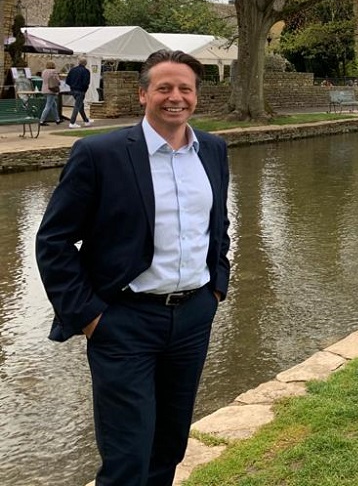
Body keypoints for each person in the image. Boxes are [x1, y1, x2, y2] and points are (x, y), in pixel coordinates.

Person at [36, 49, 232, 486]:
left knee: (168, 447)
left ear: (196, 96)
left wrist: (217, 285)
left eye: (185, 88)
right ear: (144, 94)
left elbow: (218, 225)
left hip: (193, 318)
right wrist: (89, 316)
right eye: (164, 88)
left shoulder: (213, 150)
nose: (175, 97)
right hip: (124, 321)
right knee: (127, 456)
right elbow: (54, 241)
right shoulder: (99, 153)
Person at [66, 57, 93, 128]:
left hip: (73, 90)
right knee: (77, 106)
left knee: (80, 106)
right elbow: (86, 82)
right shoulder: (86, 71)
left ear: (79, 62)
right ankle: (72, 122)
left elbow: (67, 81)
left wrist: (72, 86)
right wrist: (84, 89)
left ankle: (86, 121)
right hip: (80, 90)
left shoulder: (72, 70)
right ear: (85, 63)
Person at [39, 60, 63, 126]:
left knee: (53, 105)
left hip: (44, 90)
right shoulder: (53, 71)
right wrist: (59, 83)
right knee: (48, 106)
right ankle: (41, 120)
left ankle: (57, 120)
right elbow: (57, 81)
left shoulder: (44, 71)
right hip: (51, 90)